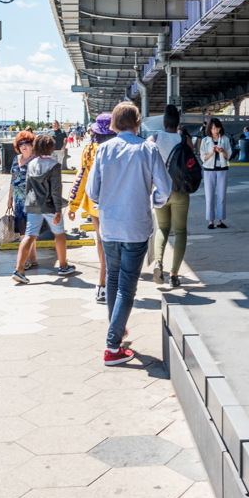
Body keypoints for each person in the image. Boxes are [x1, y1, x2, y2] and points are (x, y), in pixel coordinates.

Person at [87, 101, 171, 366]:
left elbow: (92, 191)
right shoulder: (148, 148)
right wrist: (154, 201)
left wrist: (107, 200)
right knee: (127, 286)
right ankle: (112, 347)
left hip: (110, 226)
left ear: (113, 123)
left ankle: (118, 329)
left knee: (113, 279)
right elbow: (165, 188)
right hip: (136, 225)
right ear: (138, 122)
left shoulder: (103, 149)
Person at [12, 135, 73, 283]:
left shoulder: (31, 164)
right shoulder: (54, 165)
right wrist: (58, 210)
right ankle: (63, 266)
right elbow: (56, 190)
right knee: (59, 235)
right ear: (52, 148)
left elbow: (28, 186)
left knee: (29, 235)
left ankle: (19, 270)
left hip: (33, 204)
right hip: (50, 206)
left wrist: (29, 202)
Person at [68, 113, 114, 304]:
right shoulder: (118, 149)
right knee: (115, 244)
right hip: (116, 203)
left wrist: (73, 203)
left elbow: (81, 179)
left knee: (101, 242)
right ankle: (106, 284)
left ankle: (103, 284)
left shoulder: (89, 150)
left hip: (95, 204)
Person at [149, 104, 192, 287]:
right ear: (178, 123)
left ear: (164, 122)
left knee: (162, 229)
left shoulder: (155, 138)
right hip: (180, 191)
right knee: (180, 231)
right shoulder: (184, 139)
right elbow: (191, 162)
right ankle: (174, 275)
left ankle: (158, 261)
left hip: (160, 192)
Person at [6, 129, 38, 270]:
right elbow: (13, 180)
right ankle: (33, 258)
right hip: (18, 201)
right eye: (20, 143)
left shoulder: (36, 160)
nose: (23, 146)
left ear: (32, 145)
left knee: (27, 232)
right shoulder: (15, 160)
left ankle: (24, 260)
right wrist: (9, 198)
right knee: (24, 231)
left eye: (27, 143)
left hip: (32, 201)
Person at [197, 117, 232, 230]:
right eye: (213, 128)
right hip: (209, 170)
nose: (215, 130)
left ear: (220, 128)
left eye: (217, 128)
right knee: (209, 196)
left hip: (223, 169)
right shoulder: (205, 140)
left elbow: (229, 157)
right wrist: (212, 152)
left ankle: (220, 221)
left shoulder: (225, 139)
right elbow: (203, 158)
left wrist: (222, 152)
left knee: (222, 196)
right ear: (209, 129)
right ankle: (210, 221)